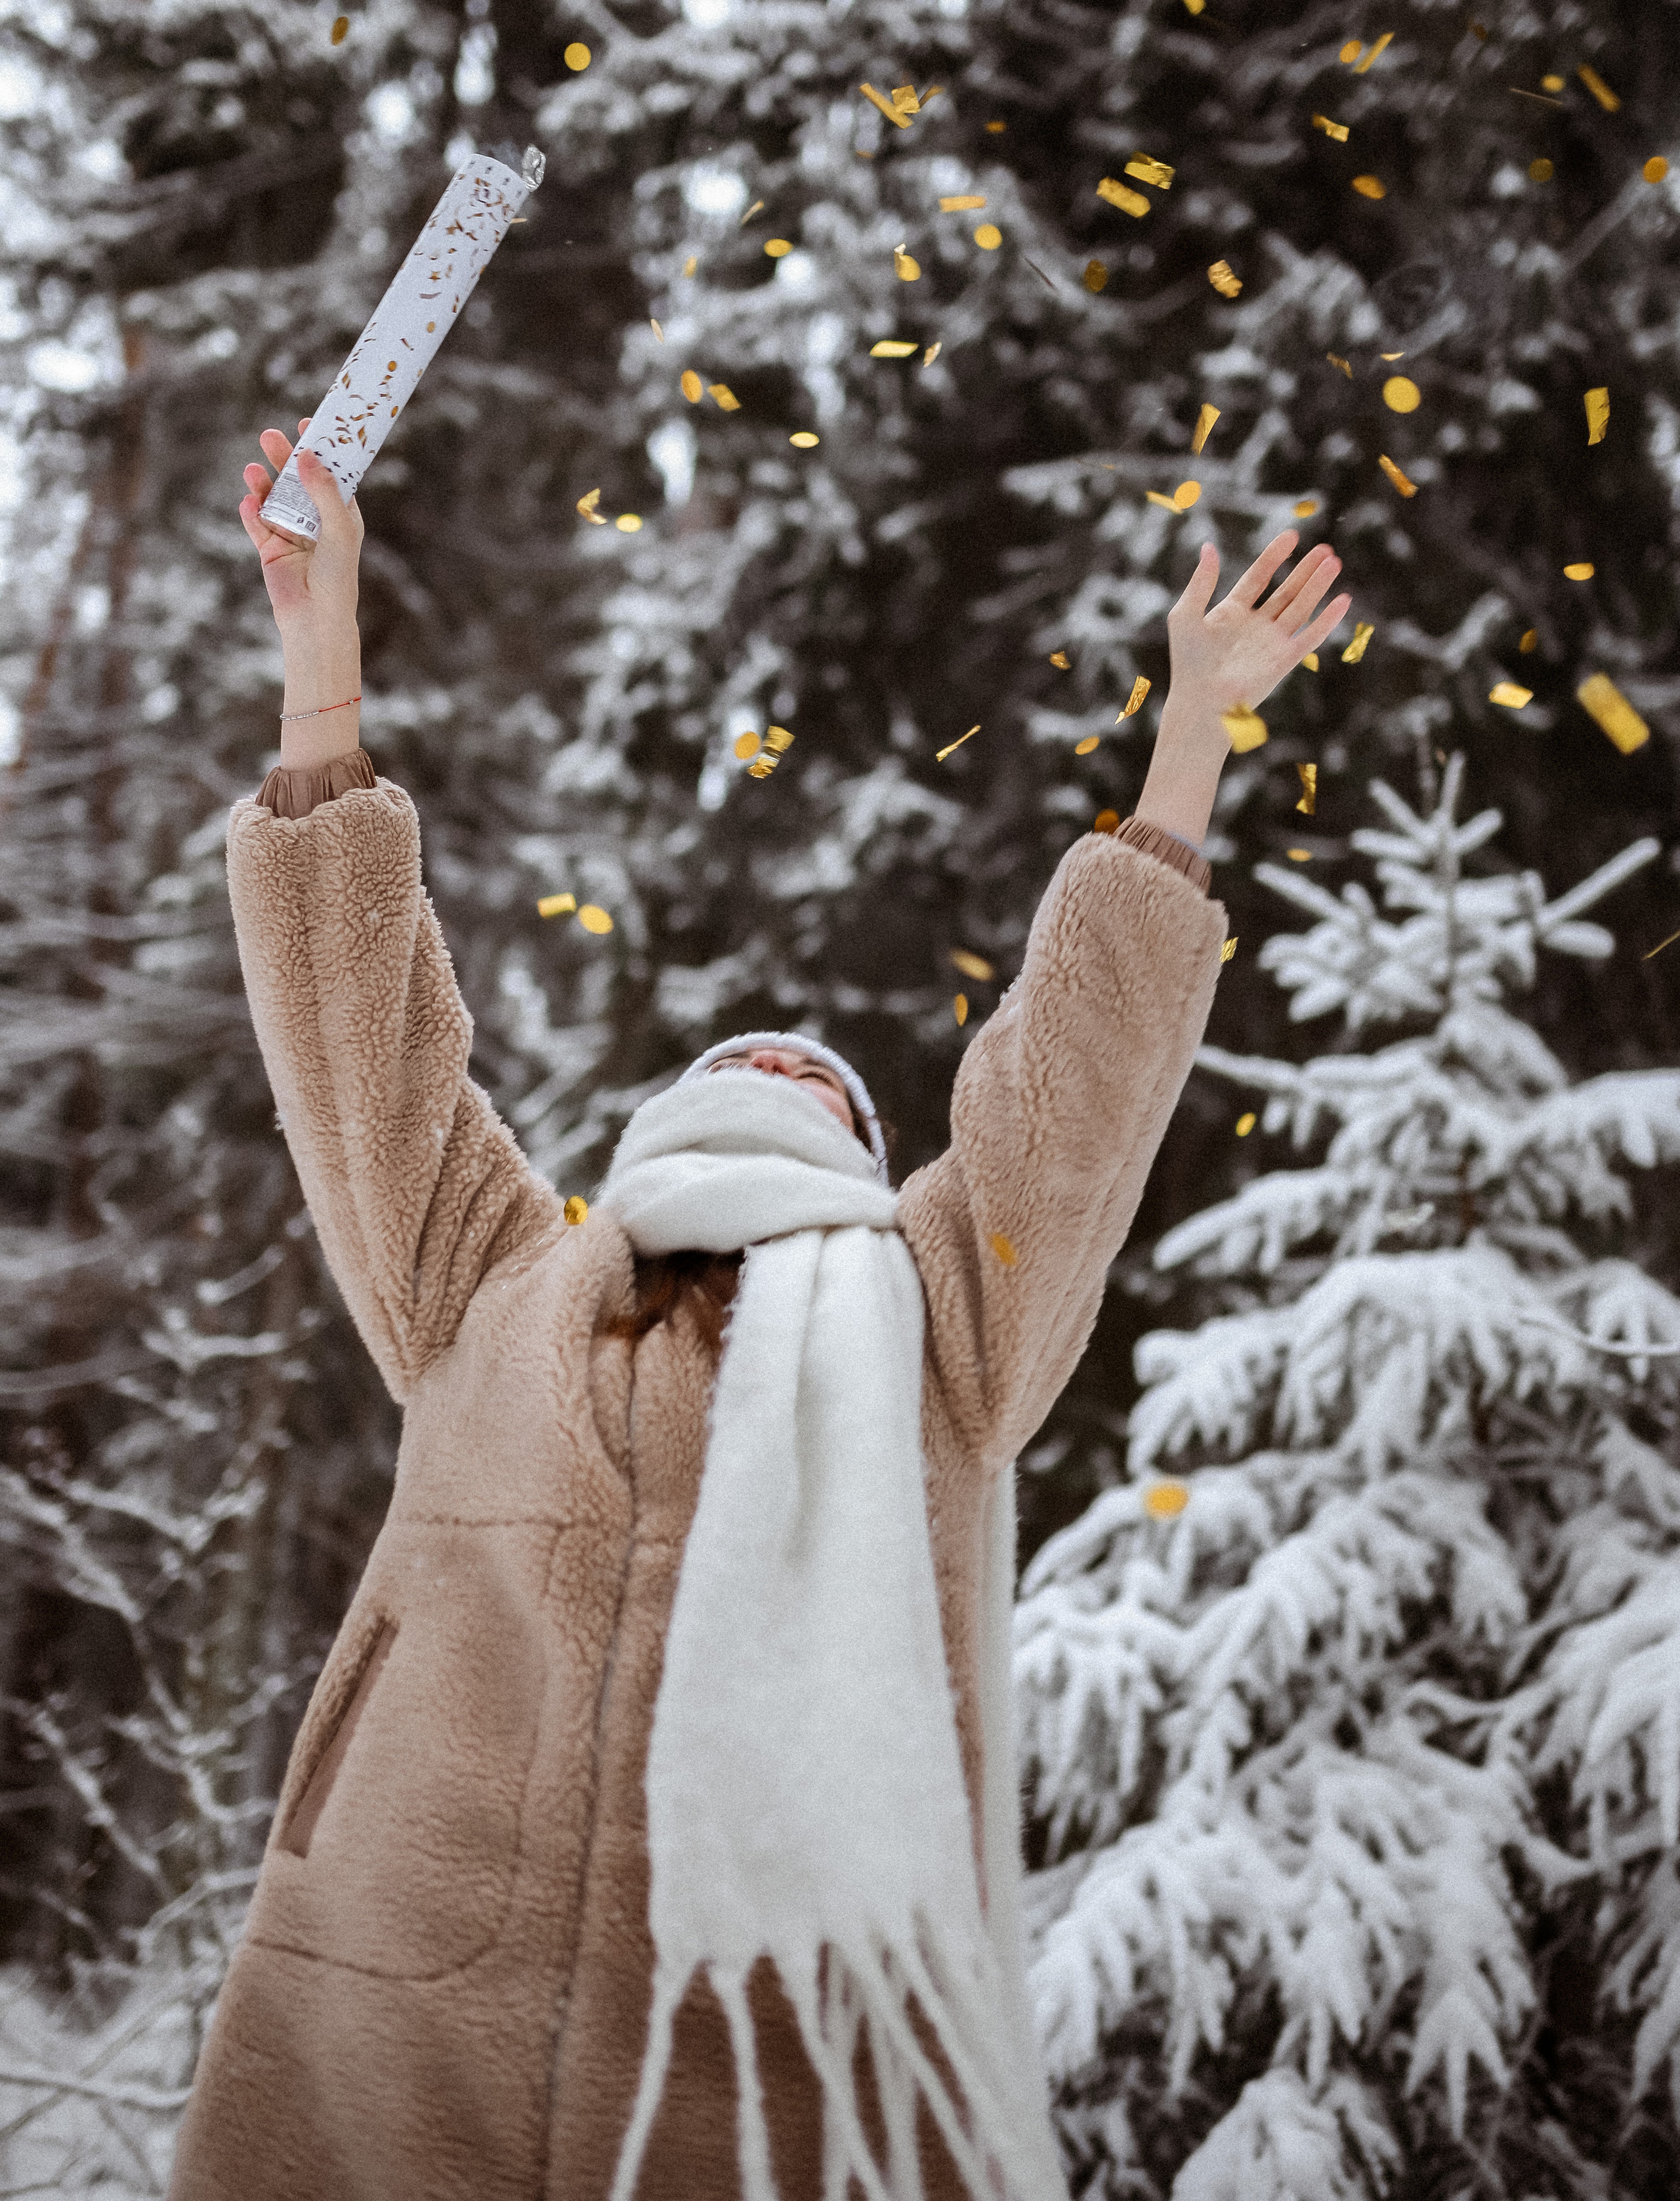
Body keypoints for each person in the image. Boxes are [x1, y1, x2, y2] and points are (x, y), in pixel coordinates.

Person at [167, 427, 1350, 2201]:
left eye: (824, 1084)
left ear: (870, 1163)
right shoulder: (492, 1273)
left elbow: (1073, 1092)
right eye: (745, 1060)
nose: (782, 1070)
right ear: (657, 1124)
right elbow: (362, 1037)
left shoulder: (939, 1321)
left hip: (774, 2065)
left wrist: (1191, 740)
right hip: (397, 1998)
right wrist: (321, 653)